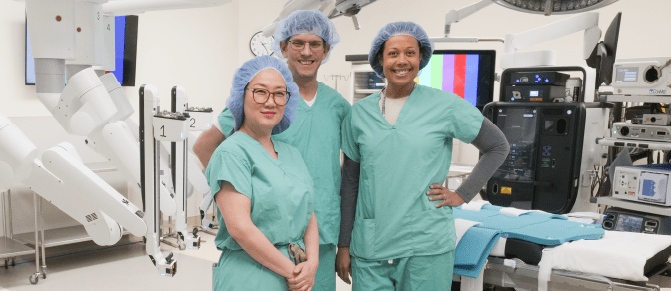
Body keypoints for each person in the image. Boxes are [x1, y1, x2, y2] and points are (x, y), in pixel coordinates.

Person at [336, 22, 510, 290]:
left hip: (425, 244)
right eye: (393, 53)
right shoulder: (358, 114)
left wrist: (462, 193)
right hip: (370, 243)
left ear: (421, 58)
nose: (402, 61)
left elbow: (497, 146)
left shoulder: (446, 106)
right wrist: (344, 244)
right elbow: (350, 182)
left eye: (410, 53)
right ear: (380, 59)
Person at [194, 10, 351, 291]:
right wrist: (235, 194)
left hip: (320, 238)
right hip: (262, 240)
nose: (306, 52)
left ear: (326, 50)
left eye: (315, 44)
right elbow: (205, 145)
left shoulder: (337, 105)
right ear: (282, 47)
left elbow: (349, 172)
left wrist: (343, 245)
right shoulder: (256, 99)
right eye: (297, 43)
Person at [206, 56, 318, 291]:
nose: (271, 102)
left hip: (296, 273)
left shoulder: (291, 154)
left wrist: (312, 263)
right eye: (260, 92)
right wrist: (294, 273)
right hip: (250, 275)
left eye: (279, 94)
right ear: (241, 96)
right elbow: (240, 229)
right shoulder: (231, 153)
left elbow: (307, 212)